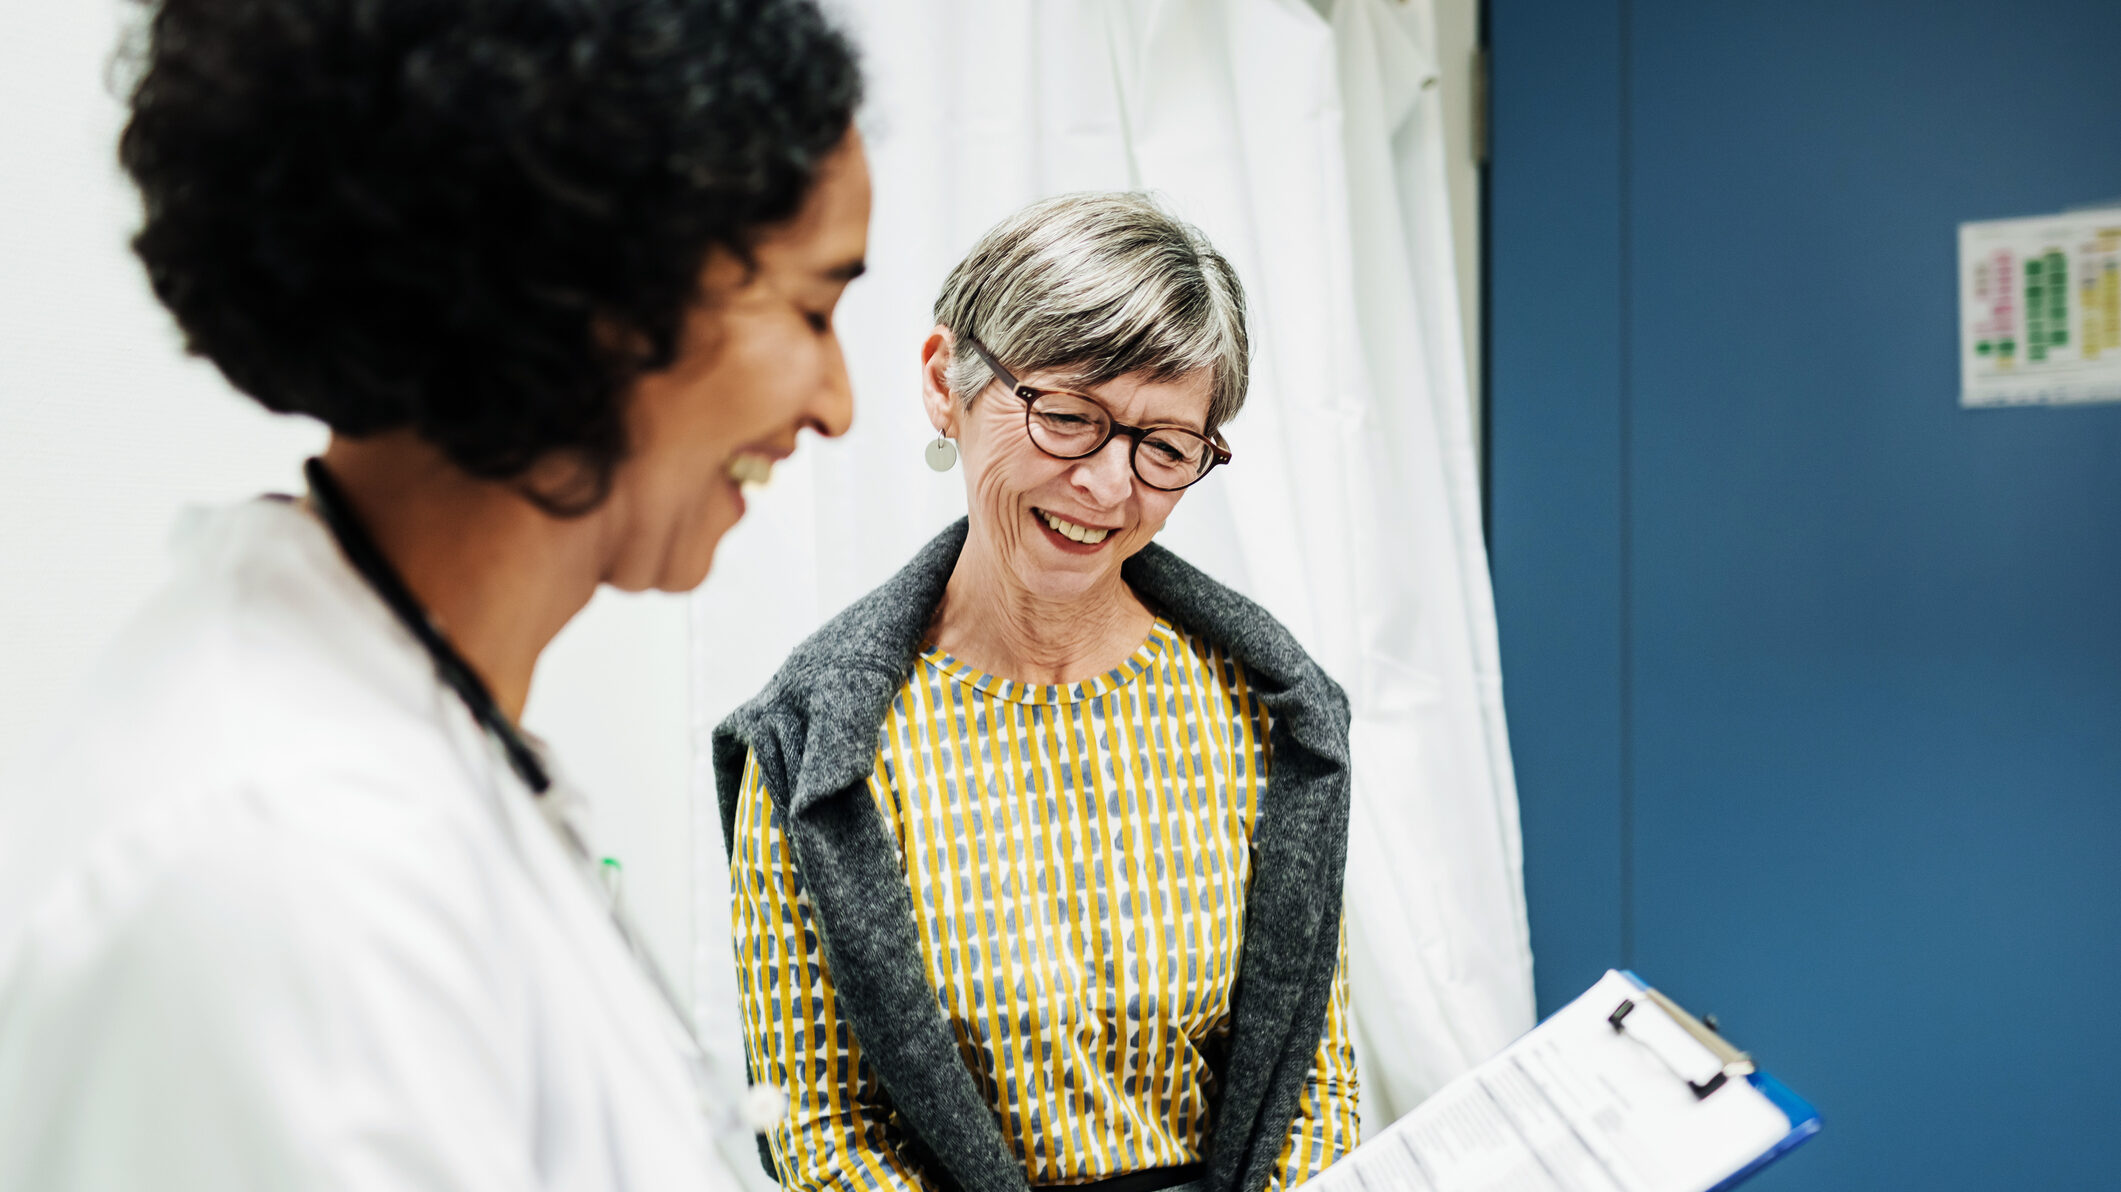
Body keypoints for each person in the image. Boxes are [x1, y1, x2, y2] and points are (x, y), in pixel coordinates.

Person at [0, 1, 869, 1188]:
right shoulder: (284, 859)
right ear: (602, 296)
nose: (837, 402)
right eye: (813, 311)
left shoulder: (411, 737)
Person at [715, 193, 1361, 1192]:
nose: (1108, 487)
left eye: (1165, 446)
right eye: (1067, 416)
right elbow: (820, 1129)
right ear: (947, 383)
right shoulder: (813, 748)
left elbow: (1311, 1082)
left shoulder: (1267, 711)